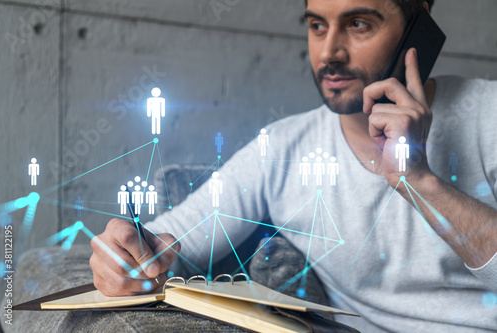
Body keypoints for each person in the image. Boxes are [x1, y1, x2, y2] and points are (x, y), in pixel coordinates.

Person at [90, 0, 497, 331]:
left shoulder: (489, 114)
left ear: (418, 27)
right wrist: (124, 258)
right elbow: (172, 245)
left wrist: (420, 182)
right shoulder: (282, 148)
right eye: (317, 26)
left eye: (358, 24)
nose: (330, 52)